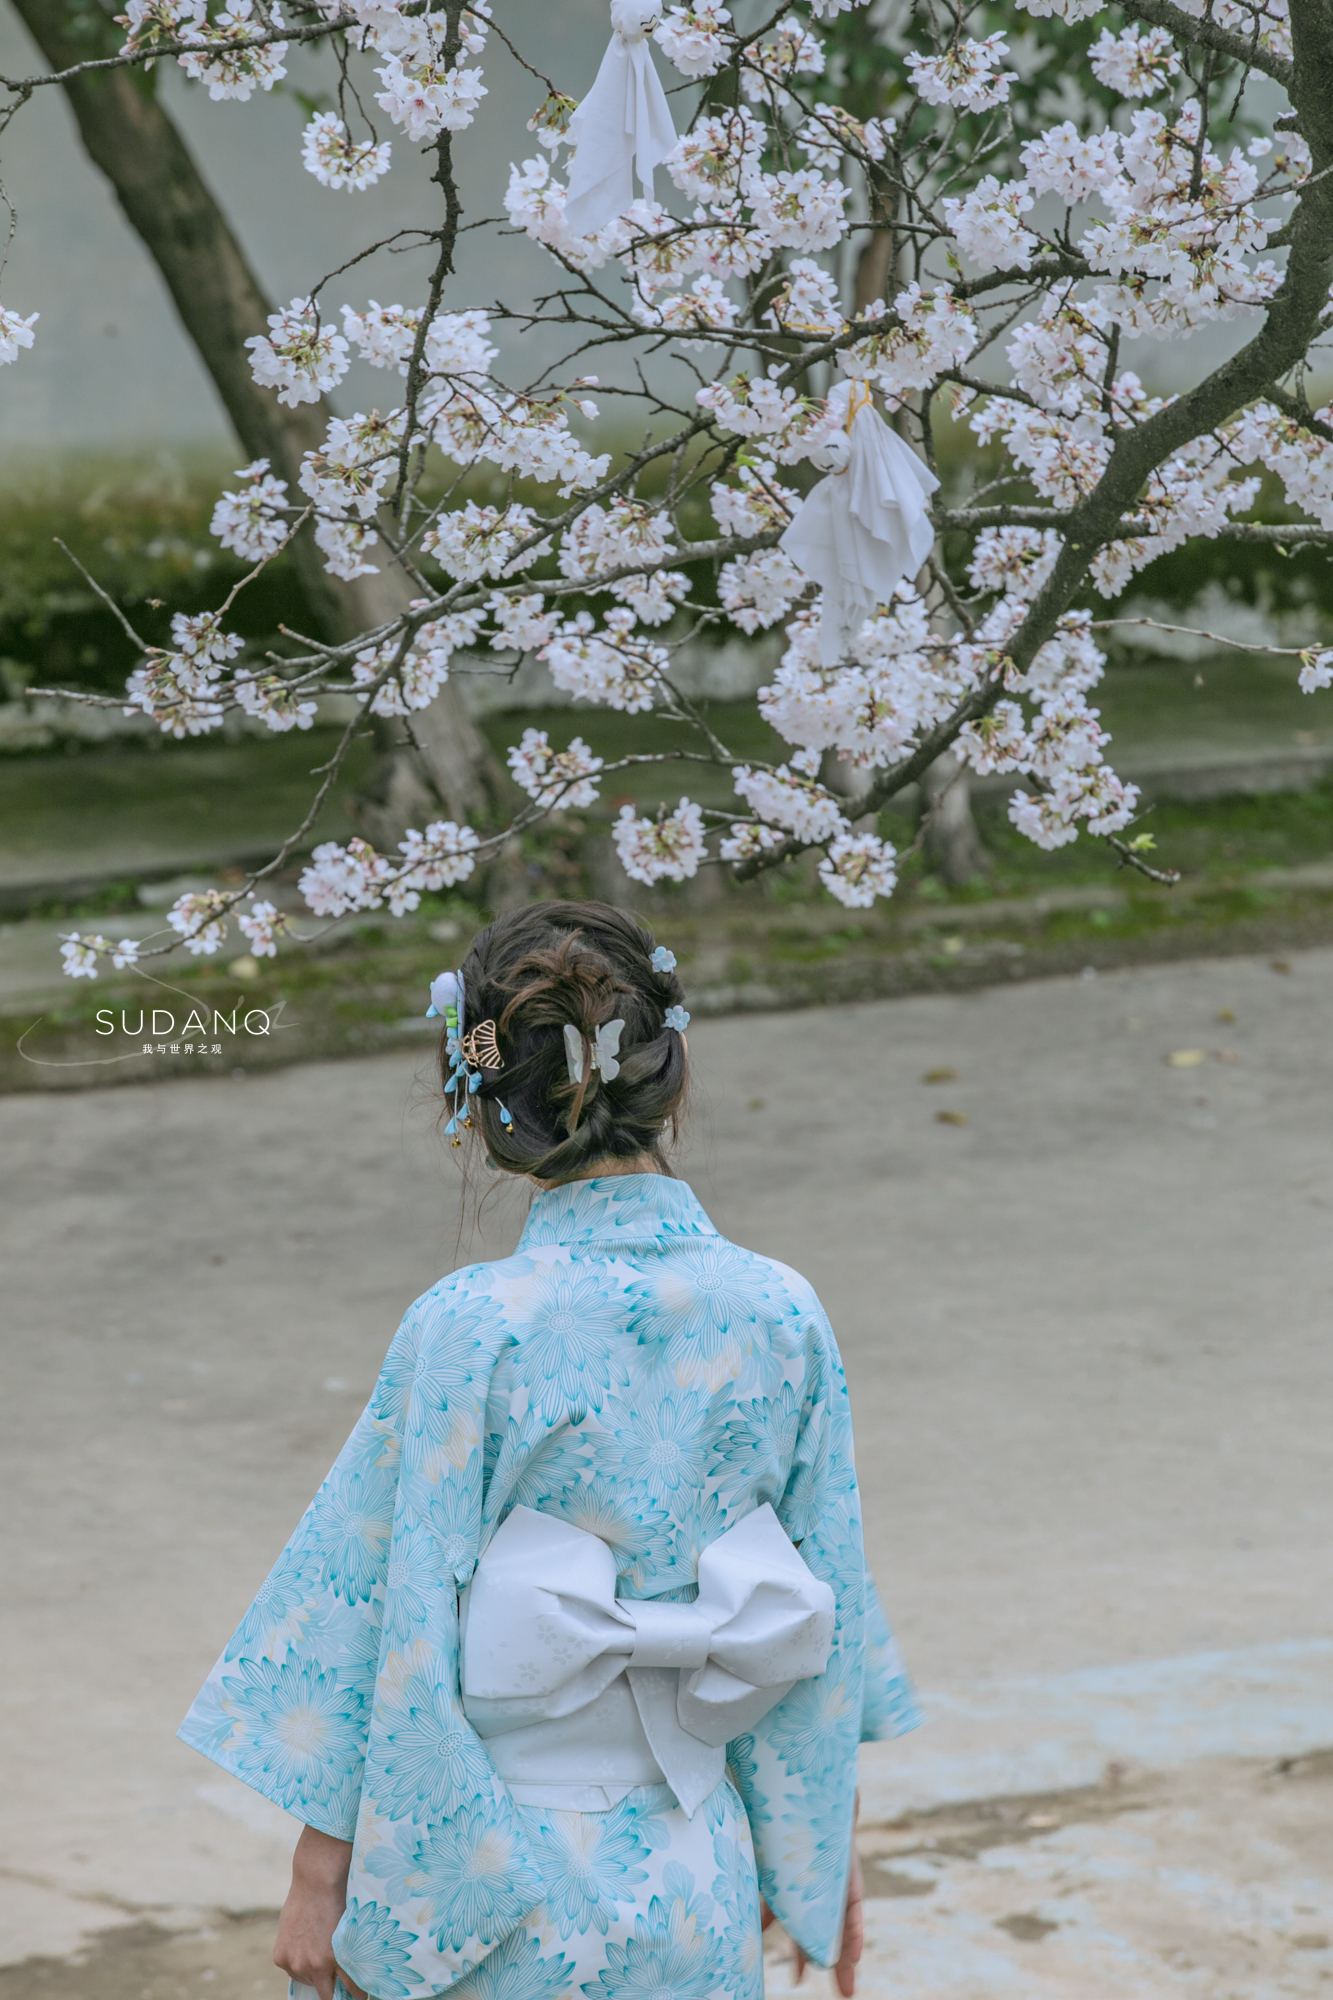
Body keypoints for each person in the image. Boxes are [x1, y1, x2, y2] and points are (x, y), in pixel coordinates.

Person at [179, 901, 918, 2000]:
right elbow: (820, 1598)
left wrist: (319, 1869)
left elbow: (385, 1598)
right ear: (670, 1073)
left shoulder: (475, 1324)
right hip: (695, 1865)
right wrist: (822, 1849)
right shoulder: (781, 1309)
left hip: (494, 1871)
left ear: (480, 1104)